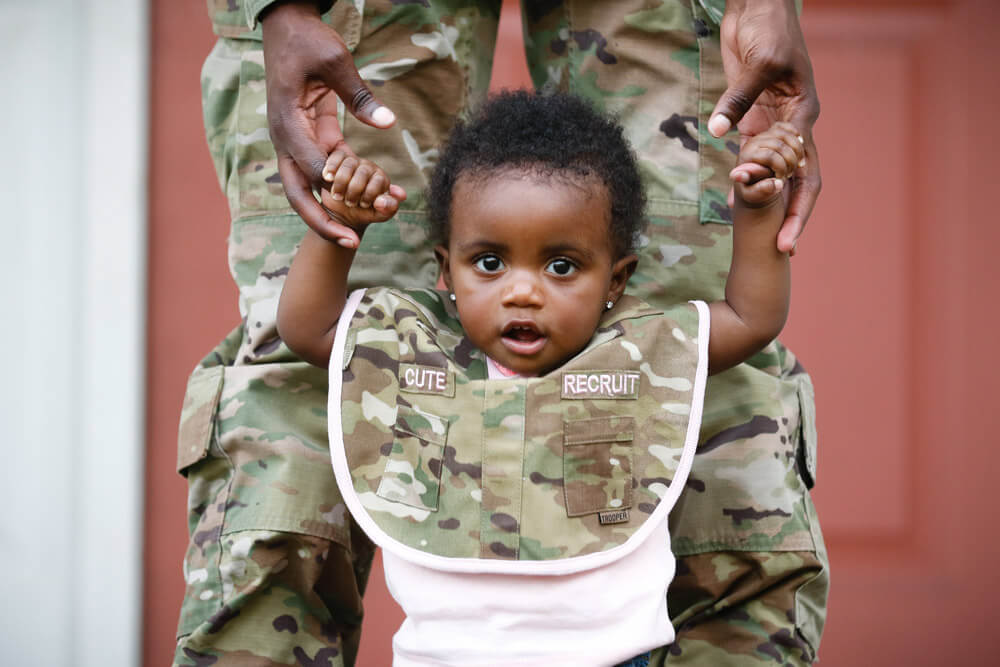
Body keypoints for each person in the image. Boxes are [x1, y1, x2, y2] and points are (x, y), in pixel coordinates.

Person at [175, 1, 827, 665]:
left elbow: (747, 317)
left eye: (562, 265)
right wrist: (339, 230)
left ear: (617, 281)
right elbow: (307, 329)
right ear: (445, 272)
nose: (522, 289)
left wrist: (754, 205)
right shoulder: (419, 342)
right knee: (303, 393)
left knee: (708, 383)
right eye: (490, 261)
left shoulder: (641, 343)